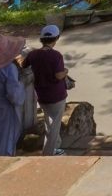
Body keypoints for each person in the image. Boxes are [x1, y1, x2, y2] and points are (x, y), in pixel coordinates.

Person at [24, 24, 70, 156]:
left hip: (41, 94)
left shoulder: (33, 54)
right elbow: (58, 75)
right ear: (56, 38)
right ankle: (50, 153)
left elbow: (23, 64)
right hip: (56, 95)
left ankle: (54, 147)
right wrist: (66, 71)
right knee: (54, 125)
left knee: (49, 122)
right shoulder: (56, 56)